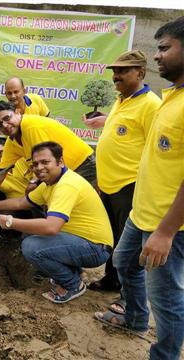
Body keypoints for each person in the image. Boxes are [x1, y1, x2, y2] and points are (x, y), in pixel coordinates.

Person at [94, 17, 184, 360]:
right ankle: (133, 319)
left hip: (164, 221)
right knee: (123, 260)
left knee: (166, 296)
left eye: (164, 48)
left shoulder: (161, 103)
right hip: (140, 211)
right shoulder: (170, 98)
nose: (157, 55)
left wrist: (166, 231)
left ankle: (165, 354)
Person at [0, 142, 112, 303]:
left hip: (95, 248)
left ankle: (73, 284)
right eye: (35, 164)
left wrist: (11, 222)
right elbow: (22, 202)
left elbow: (51, 227)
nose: (39, 167)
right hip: (80, 240)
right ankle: (73, 273)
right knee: (31, 234)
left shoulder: (66, 185)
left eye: (45, 162)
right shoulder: (52, 183)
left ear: (60, 162)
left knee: (32, 246)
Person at [84, 50, 161, 299]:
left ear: (140, 72)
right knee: (112, 237)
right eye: (115, 71)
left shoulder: (151, 105)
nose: (116, 76)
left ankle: (128, 297)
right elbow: (123, 133)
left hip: (129, 185)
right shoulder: (121, 99)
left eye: (123, 71)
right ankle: (111, 280)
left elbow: (157, 149)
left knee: (126, 245)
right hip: (108, 184)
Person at [0, 101, 96, 187]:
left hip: (83, 164)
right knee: (36, 199)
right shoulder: (12, 141)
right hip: (63, 173)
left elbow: (44, 160)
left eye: (7, 118)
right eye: (0, 124)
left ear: (17, 112)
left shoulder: (30, 126)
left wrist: (33, 182)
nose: (5, 125)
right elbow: (0, 174)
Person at [0, 76, 50, 163]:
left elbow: (47, 119)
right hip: (20, 150)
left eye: (16, 92)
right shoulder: (6, 111)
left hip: (42, 145)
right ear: (5, 94)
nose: (13, 96)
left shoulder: (36, 99)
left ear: (24, 91)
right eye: (9, 93)